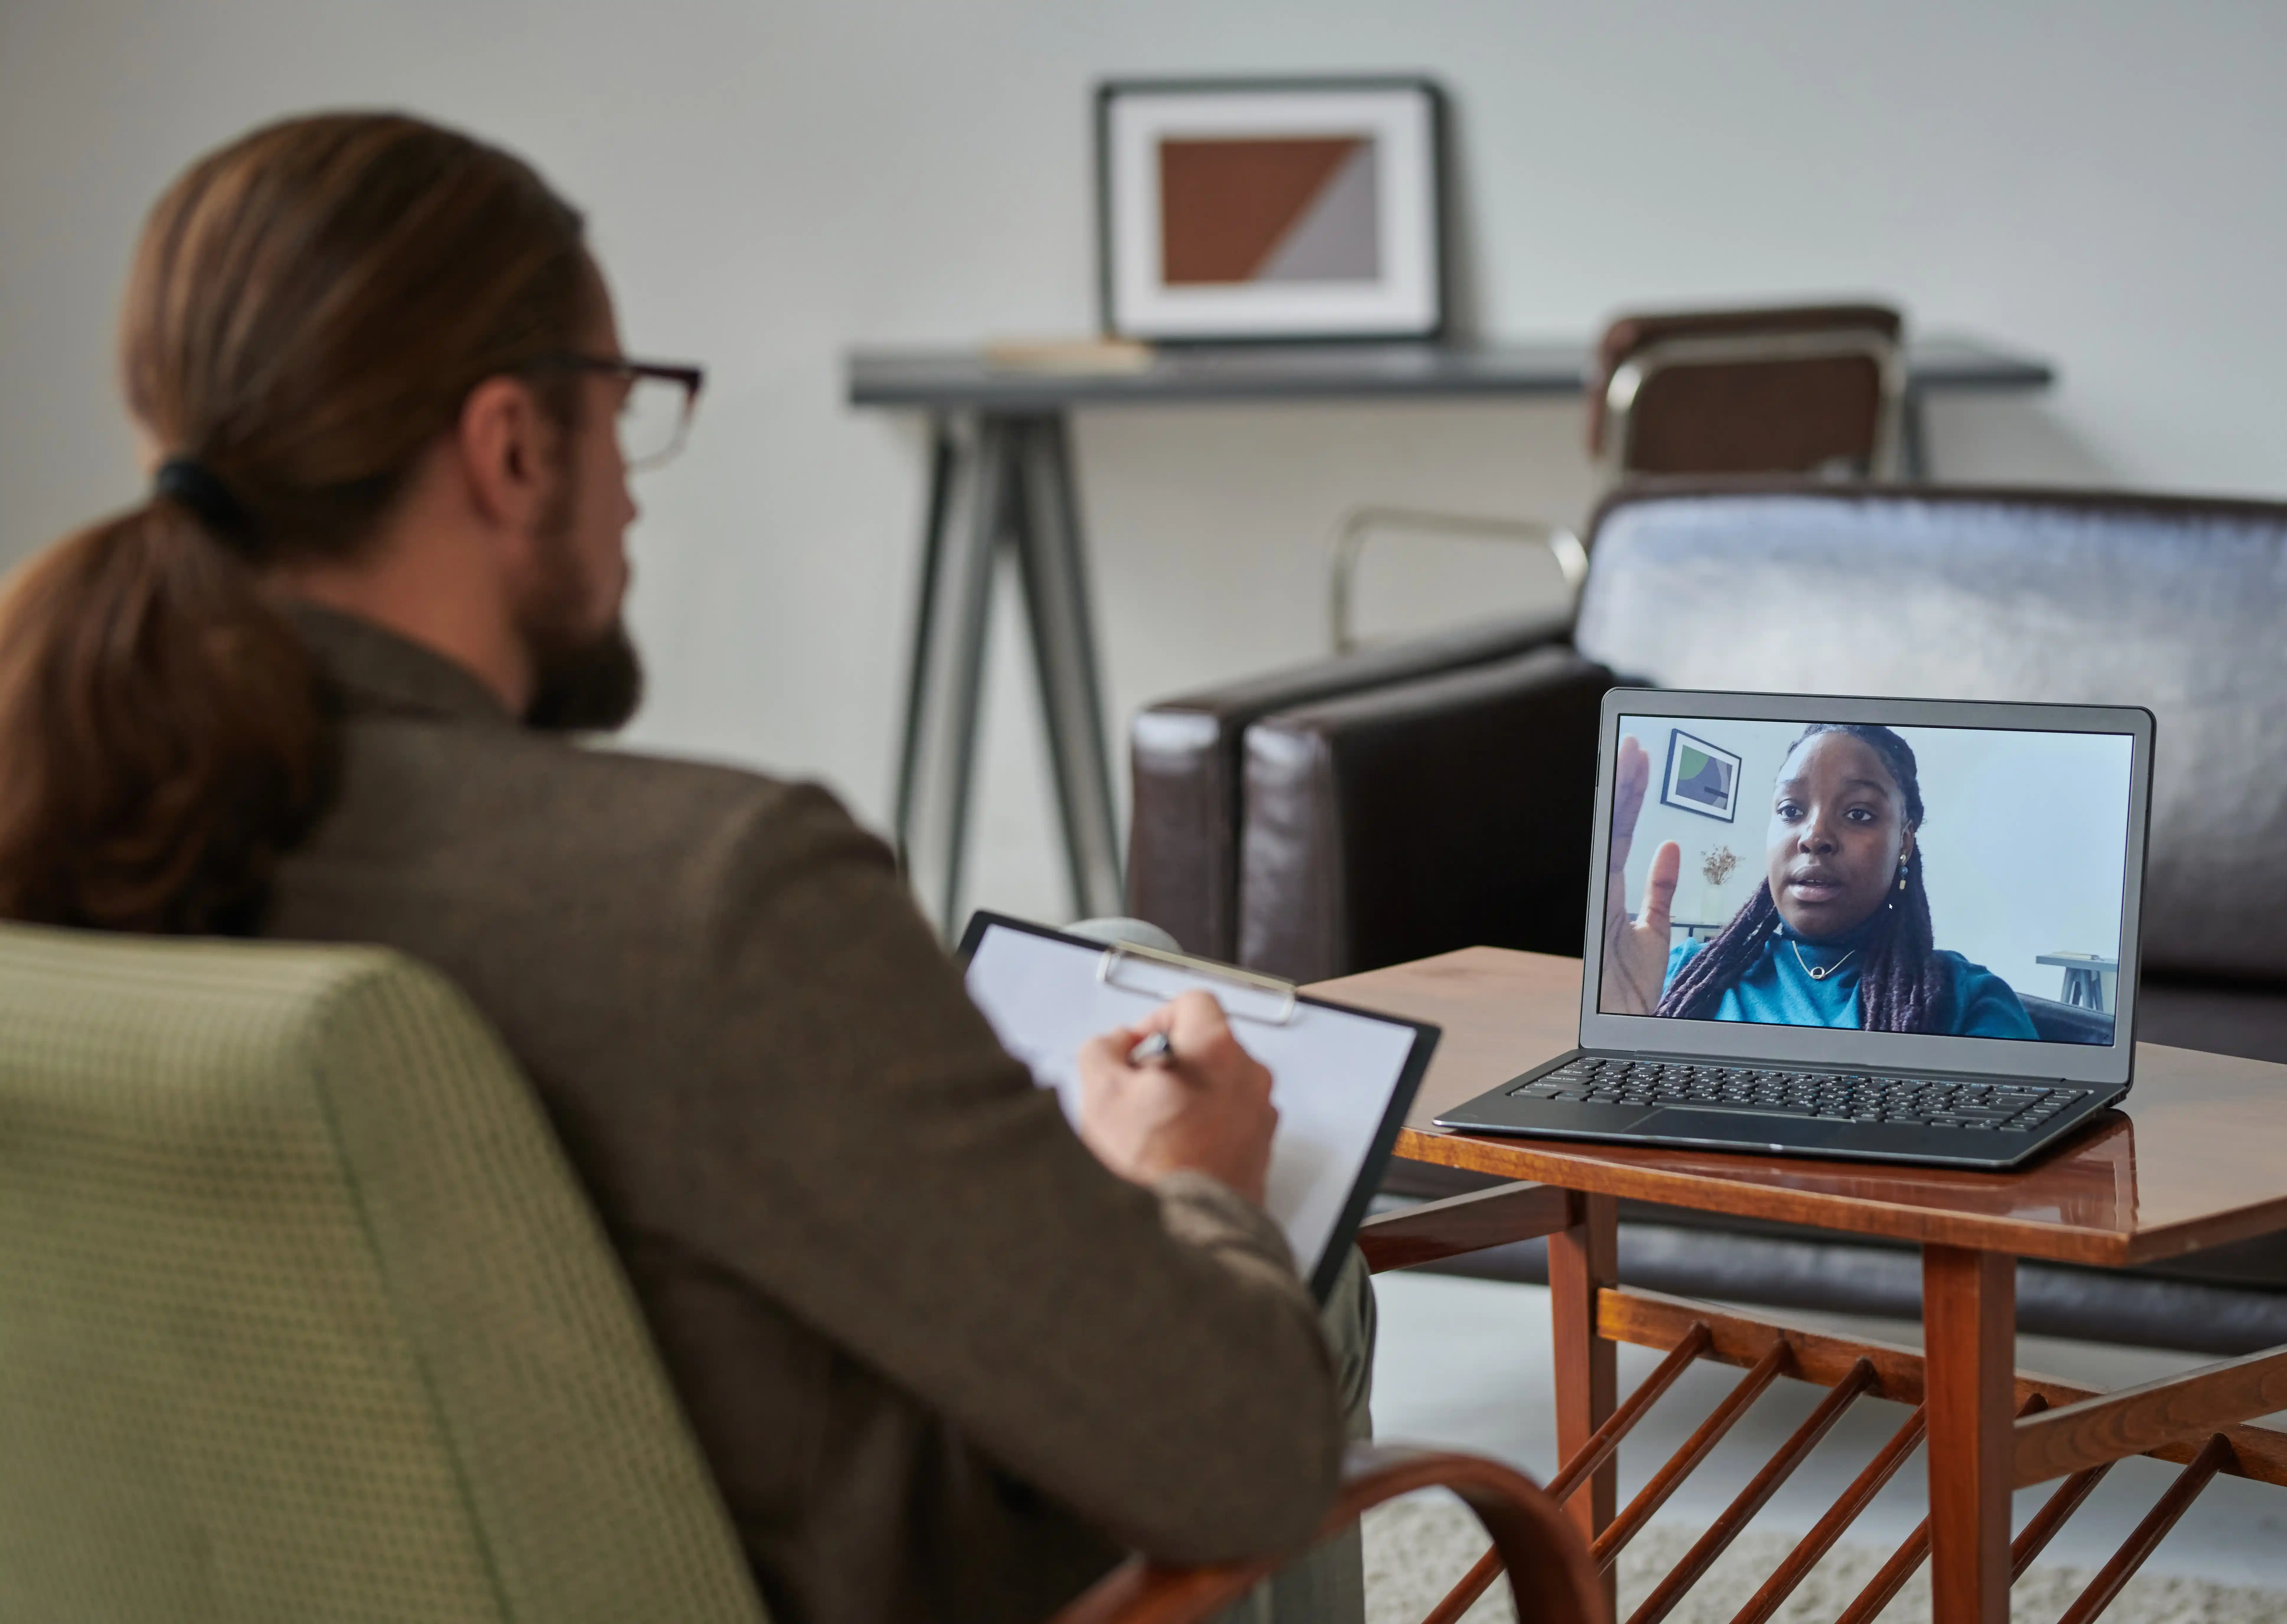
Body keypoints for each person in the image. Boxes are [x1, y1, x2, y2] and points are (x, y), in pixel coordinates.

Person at [0, 113, 1366, 1624]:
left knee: (1110, 941)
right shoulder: (714, 893)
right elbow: (1239, 1456)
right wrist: (1186, 1193)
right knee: (1270, 1234)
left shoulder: (72, 824)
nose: (637, 496)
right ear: (513, 447)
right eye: (624, 411)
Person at [1600, 722, 2037, 1038]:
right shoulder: (1679, 975)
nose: (1814, 837)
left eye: (1859, 813)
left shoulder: (1969, 1006)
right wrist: (1616, 1037)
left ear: (1904, 841)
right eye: (1791, 811)